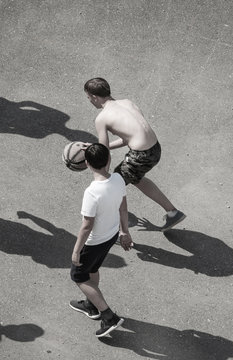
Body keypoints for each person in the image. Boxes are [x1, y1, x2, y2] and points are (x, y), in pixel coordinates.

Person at [84, 77, 186, 231]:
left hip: (140, 156)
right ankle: (173, 213)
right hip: (155, 149)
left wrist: (103, 176)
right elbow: (129, 138)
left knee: (111, 187)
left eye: (88, 98)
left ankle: (107, 227)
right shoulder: (127, 102)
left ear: (95, 97)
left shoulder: (102, 118)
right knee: (136, 178)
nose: (89, 101)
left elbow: (103, 154)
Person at [70, 143, 133, 338]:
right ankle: (92, 305)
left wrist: (76, 250)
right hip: (111, 235)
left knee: (78, 276)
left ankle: (108, 316)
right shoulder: (118, 179)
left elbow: (87, 225)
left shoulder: (92, 192)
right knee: (93, 269)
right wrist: (125, 232)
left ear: (86, 164)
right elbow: (123, 208)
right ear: (109, 160)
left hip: (94, 241)